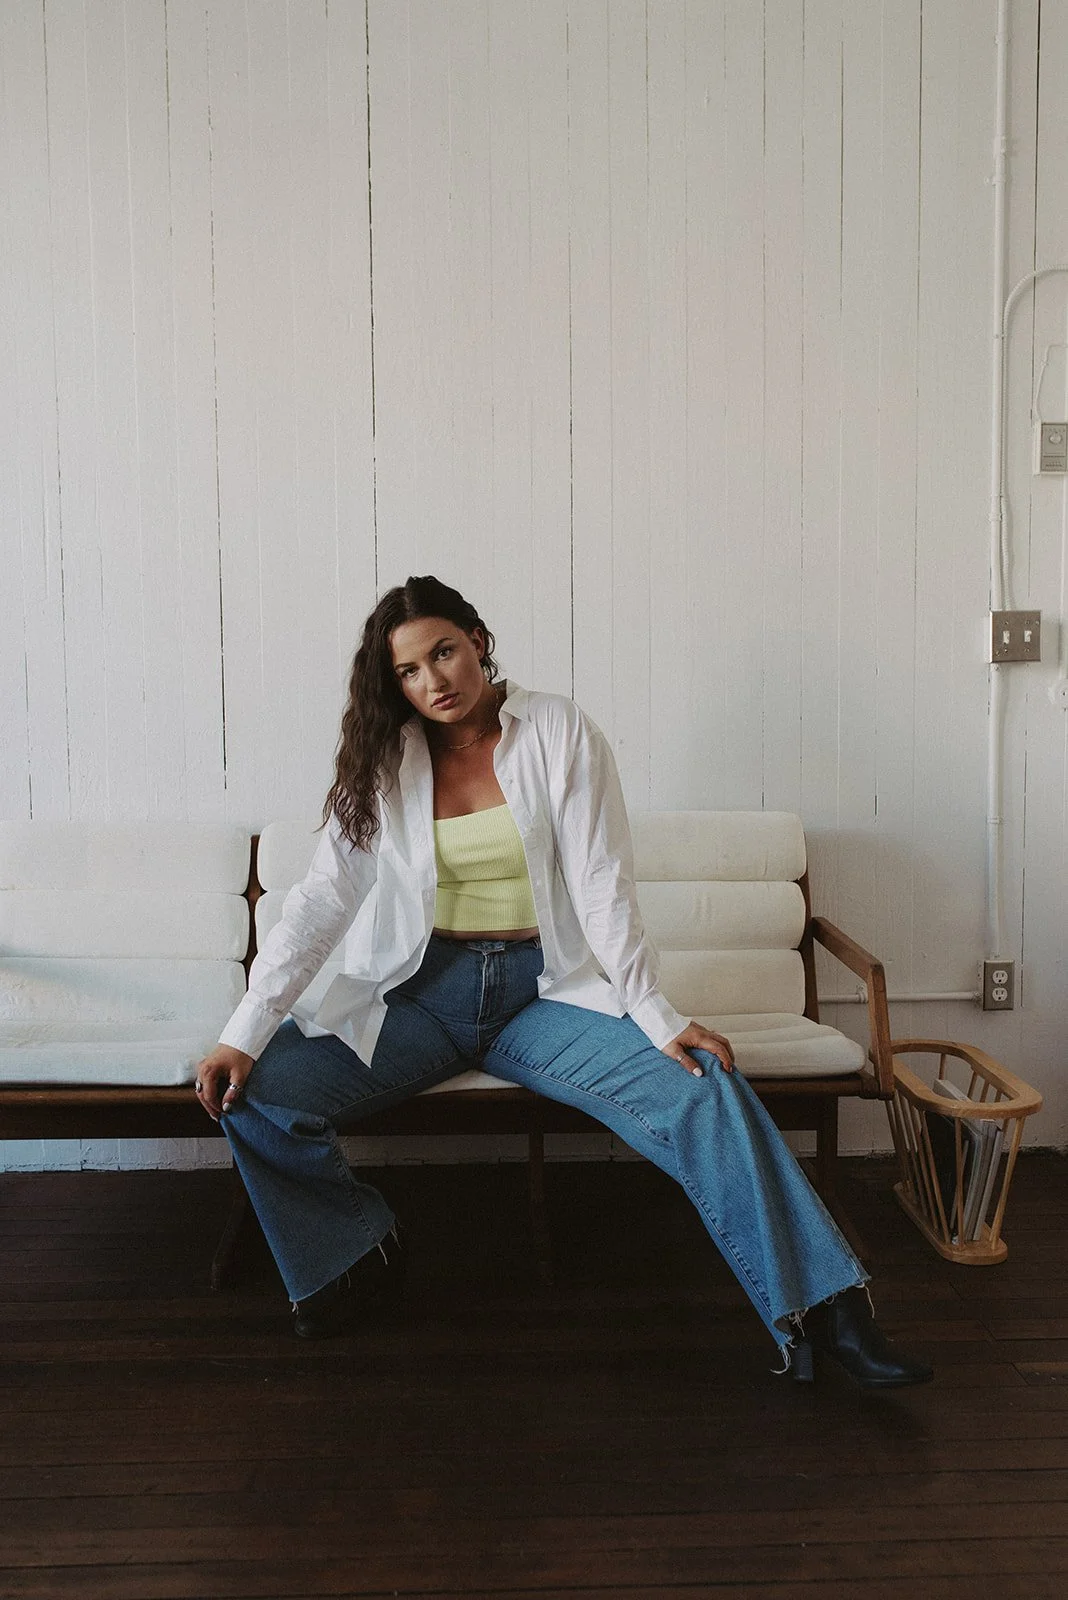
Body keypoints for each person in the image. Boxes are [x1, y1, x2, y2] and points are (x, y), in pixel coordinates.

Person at [194, 575, 931, 1387]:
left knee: (701, 1086)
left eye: (443, 652)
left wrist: (656, 1015)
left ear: (477, 638)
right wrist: (244, 1032)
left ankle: (831, 1313)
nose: (433, 681)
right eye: (408, 670)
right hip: (422, 997)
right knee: (258, 1092)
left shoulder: (555, 731)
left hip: (541, 996)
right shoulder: (387, 756)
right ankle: (355, 1254)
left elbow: (602, 885)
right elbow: (322, 900)